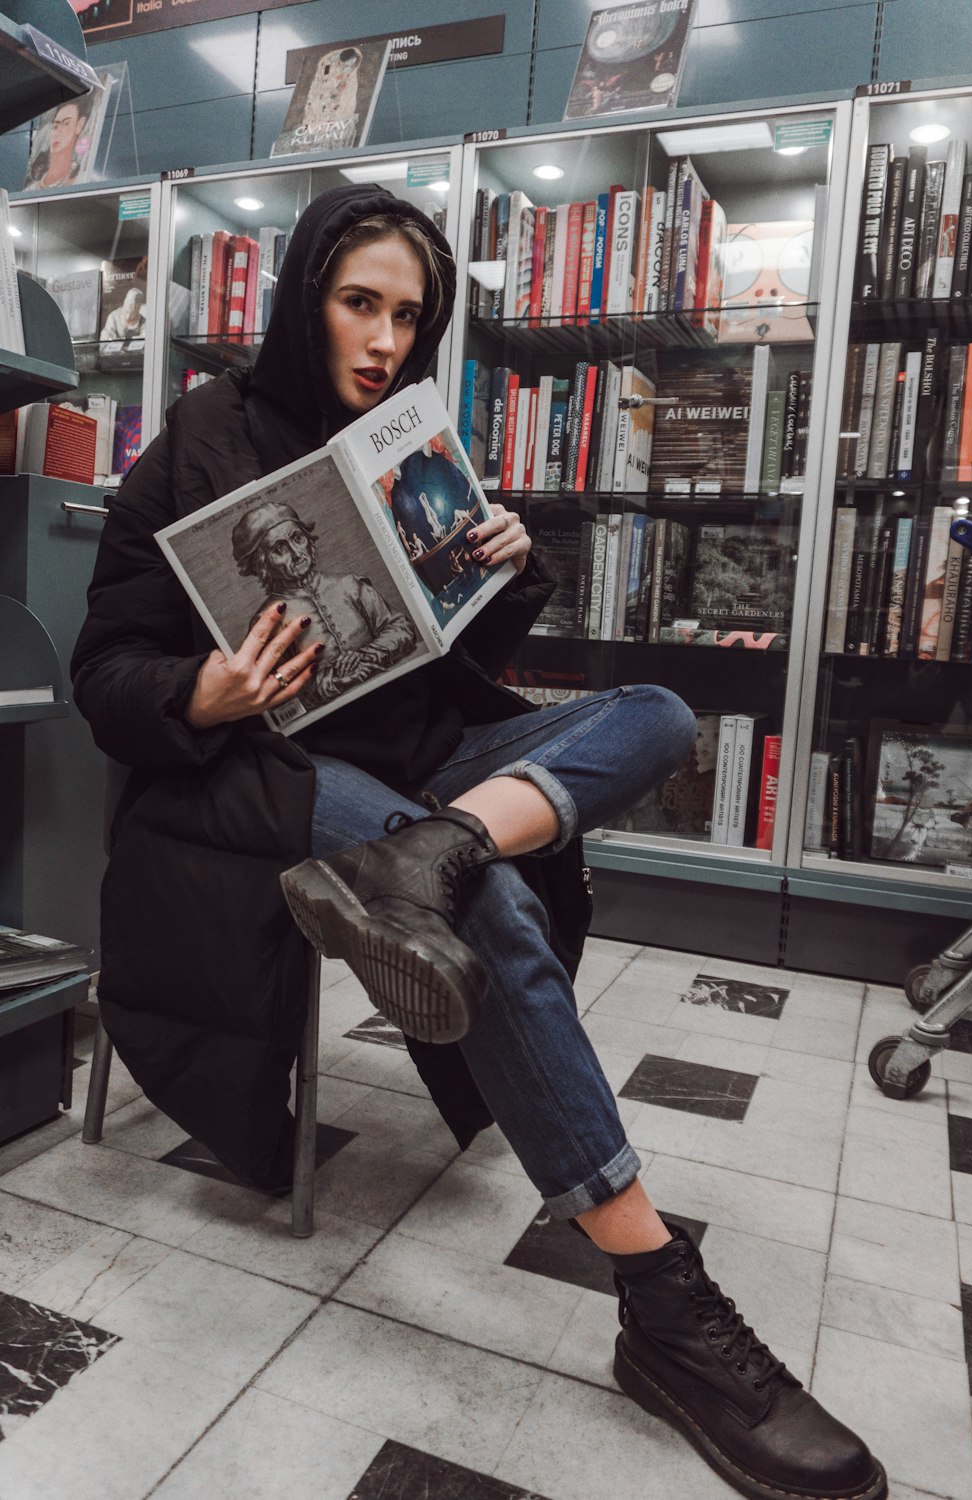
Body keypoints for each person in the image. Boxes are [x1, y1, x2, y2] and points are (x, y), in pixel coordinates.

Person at [71, 184, 885, 1500]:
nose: (386, 337)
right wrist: (197, 692)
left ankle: (434, 849)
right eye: (360, 303)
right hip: (269, 767)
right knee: (487, 905)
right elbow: (104, 670)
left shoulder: (408, 443)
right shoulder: (199, 435)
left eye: (412, 314)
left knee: (660, 712)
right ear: (304, 298)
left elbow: (440, 670)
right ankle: (660, 1297)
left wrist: (501, 573)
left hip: (415, 761)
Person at [232, 498, 416, 709]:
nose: (296, 553)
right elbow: (272, 694)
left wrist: (364, 656)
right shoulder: (266, 620)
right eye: (280, 549)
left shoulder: (349, 584)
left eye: (297, 538)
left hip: (402, 698)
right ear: (261, 565)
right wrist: (329, 682)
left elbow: (401, 628)